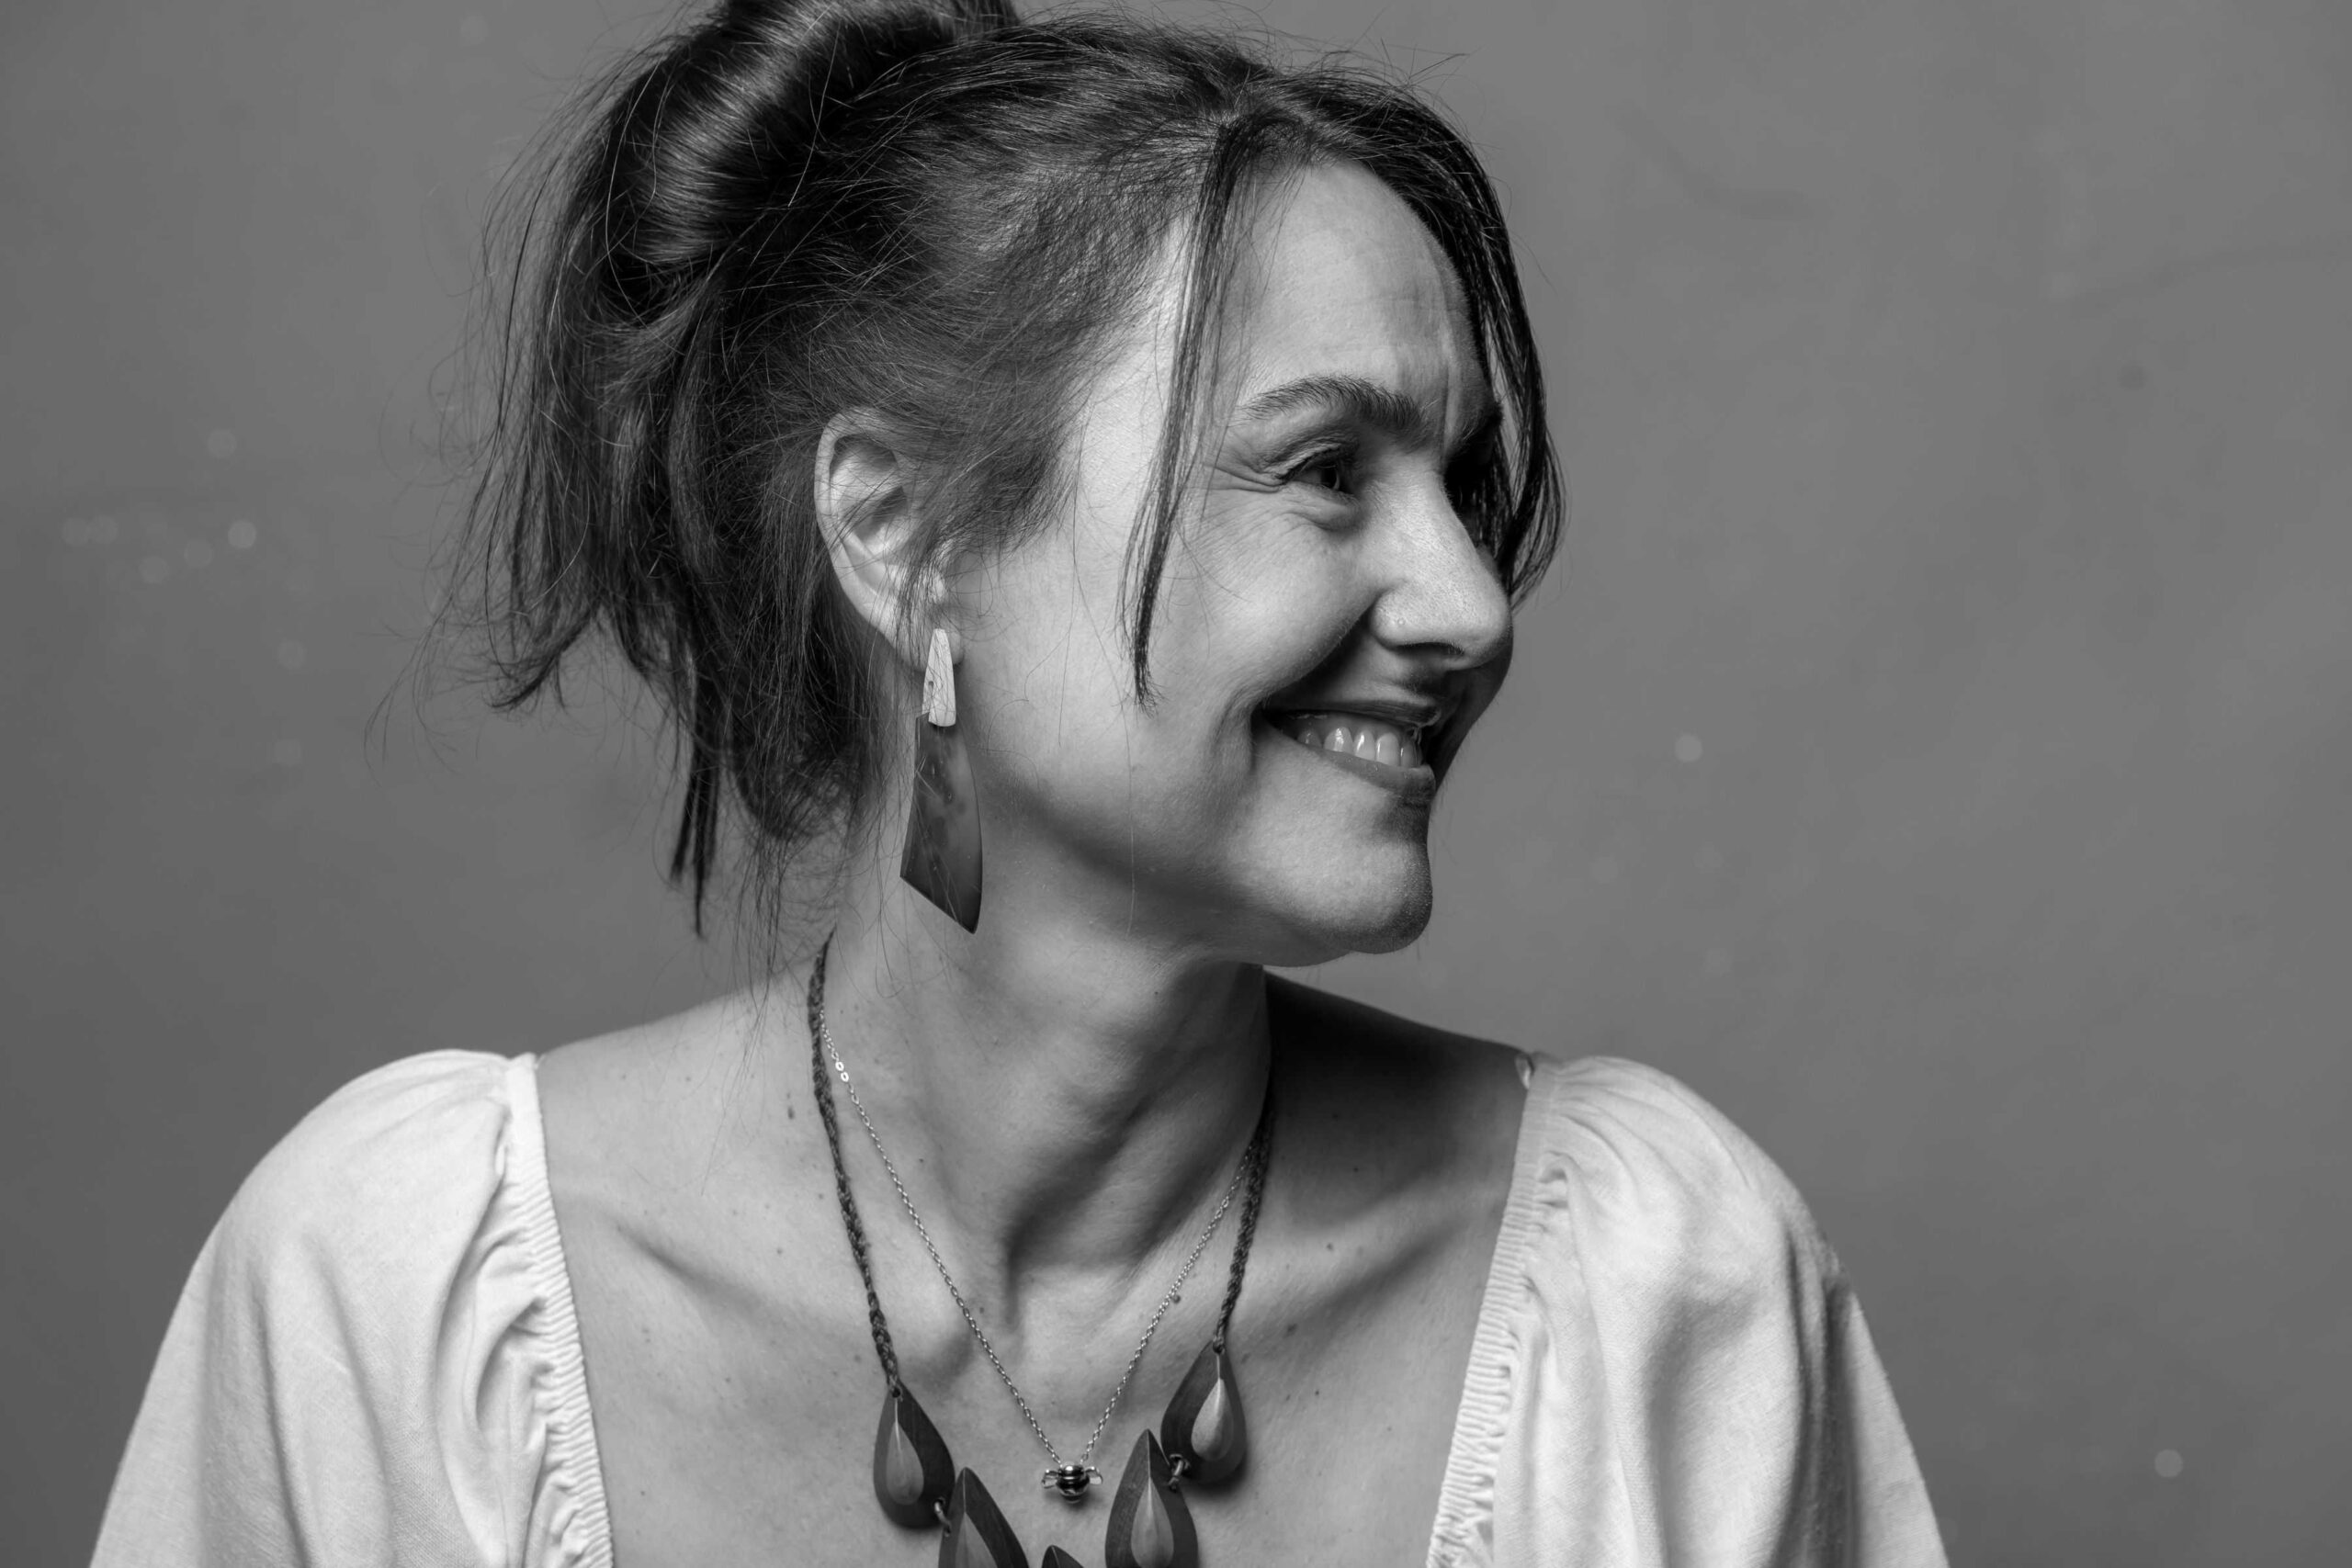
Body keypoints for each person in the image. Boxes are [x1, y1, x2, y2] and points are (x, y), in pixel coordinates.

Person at [92, 2, 1947, 1563]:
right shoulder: (401, 1309)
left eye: (1459, 483)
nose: (1467, 601)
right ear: (900, 541)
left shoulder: (1655, 1298)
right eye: (1319, 471)